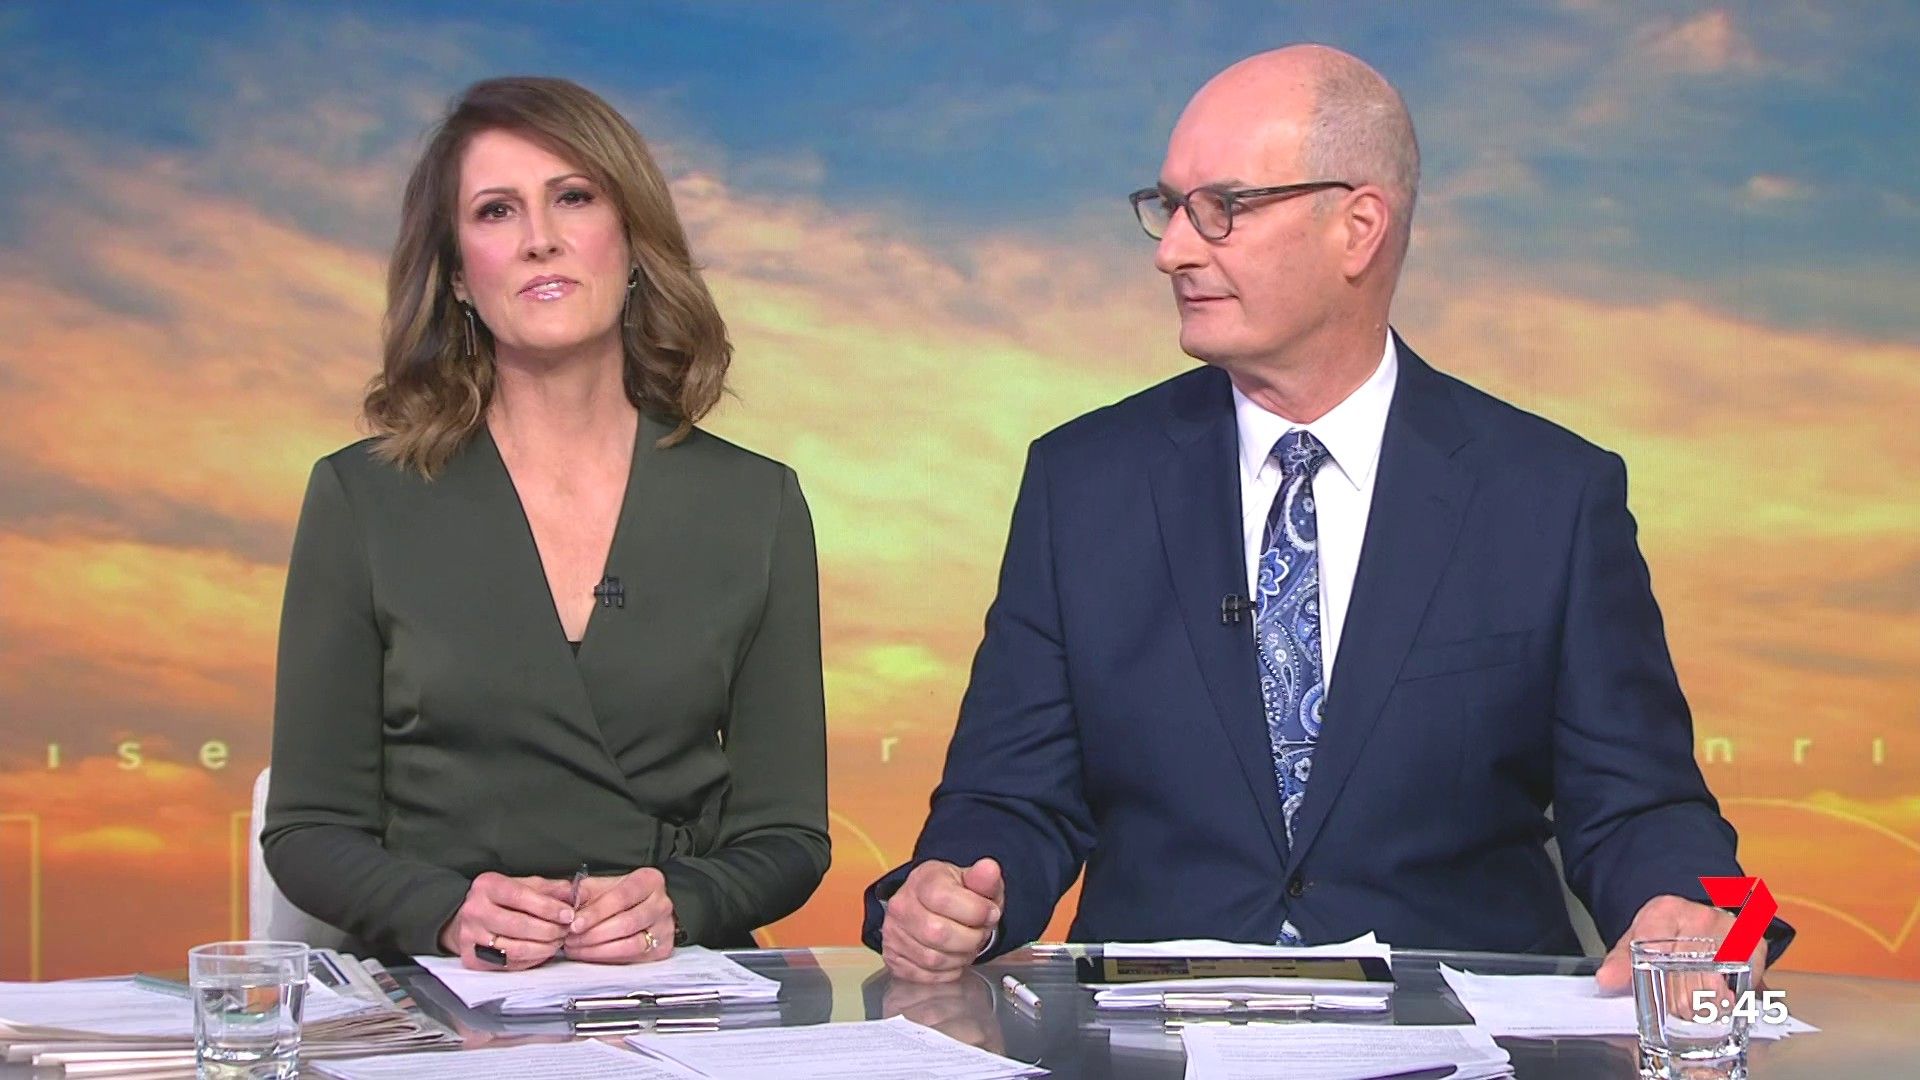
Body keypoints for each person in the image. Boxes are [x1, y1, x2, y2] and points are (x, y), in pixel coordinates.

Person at [864, 45, 1788, 989]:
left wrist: (1708, 909)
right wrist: (947, 893)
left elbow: (1650, 807)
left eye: (1221, 208)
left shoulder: (1551, 495)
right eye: (1168, 207)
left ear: (1358, 229)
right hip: (1151, 1036)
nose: (1172, 250)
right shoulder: (1083, 483)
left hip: (1460, 1038)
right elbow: (1005, 800)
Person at [264, 76, 829, 969]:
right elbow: (307, 829)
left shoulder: (757, 505)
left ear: (632, 242)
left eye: (574, 197)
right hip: (441, 984)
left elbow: (788, 836)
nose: (540, 238)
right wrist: (447, 912)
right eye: (496, 211)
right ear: (457, 274)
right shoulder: (361, 498)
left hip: (672, 986)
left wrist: (680, 901)